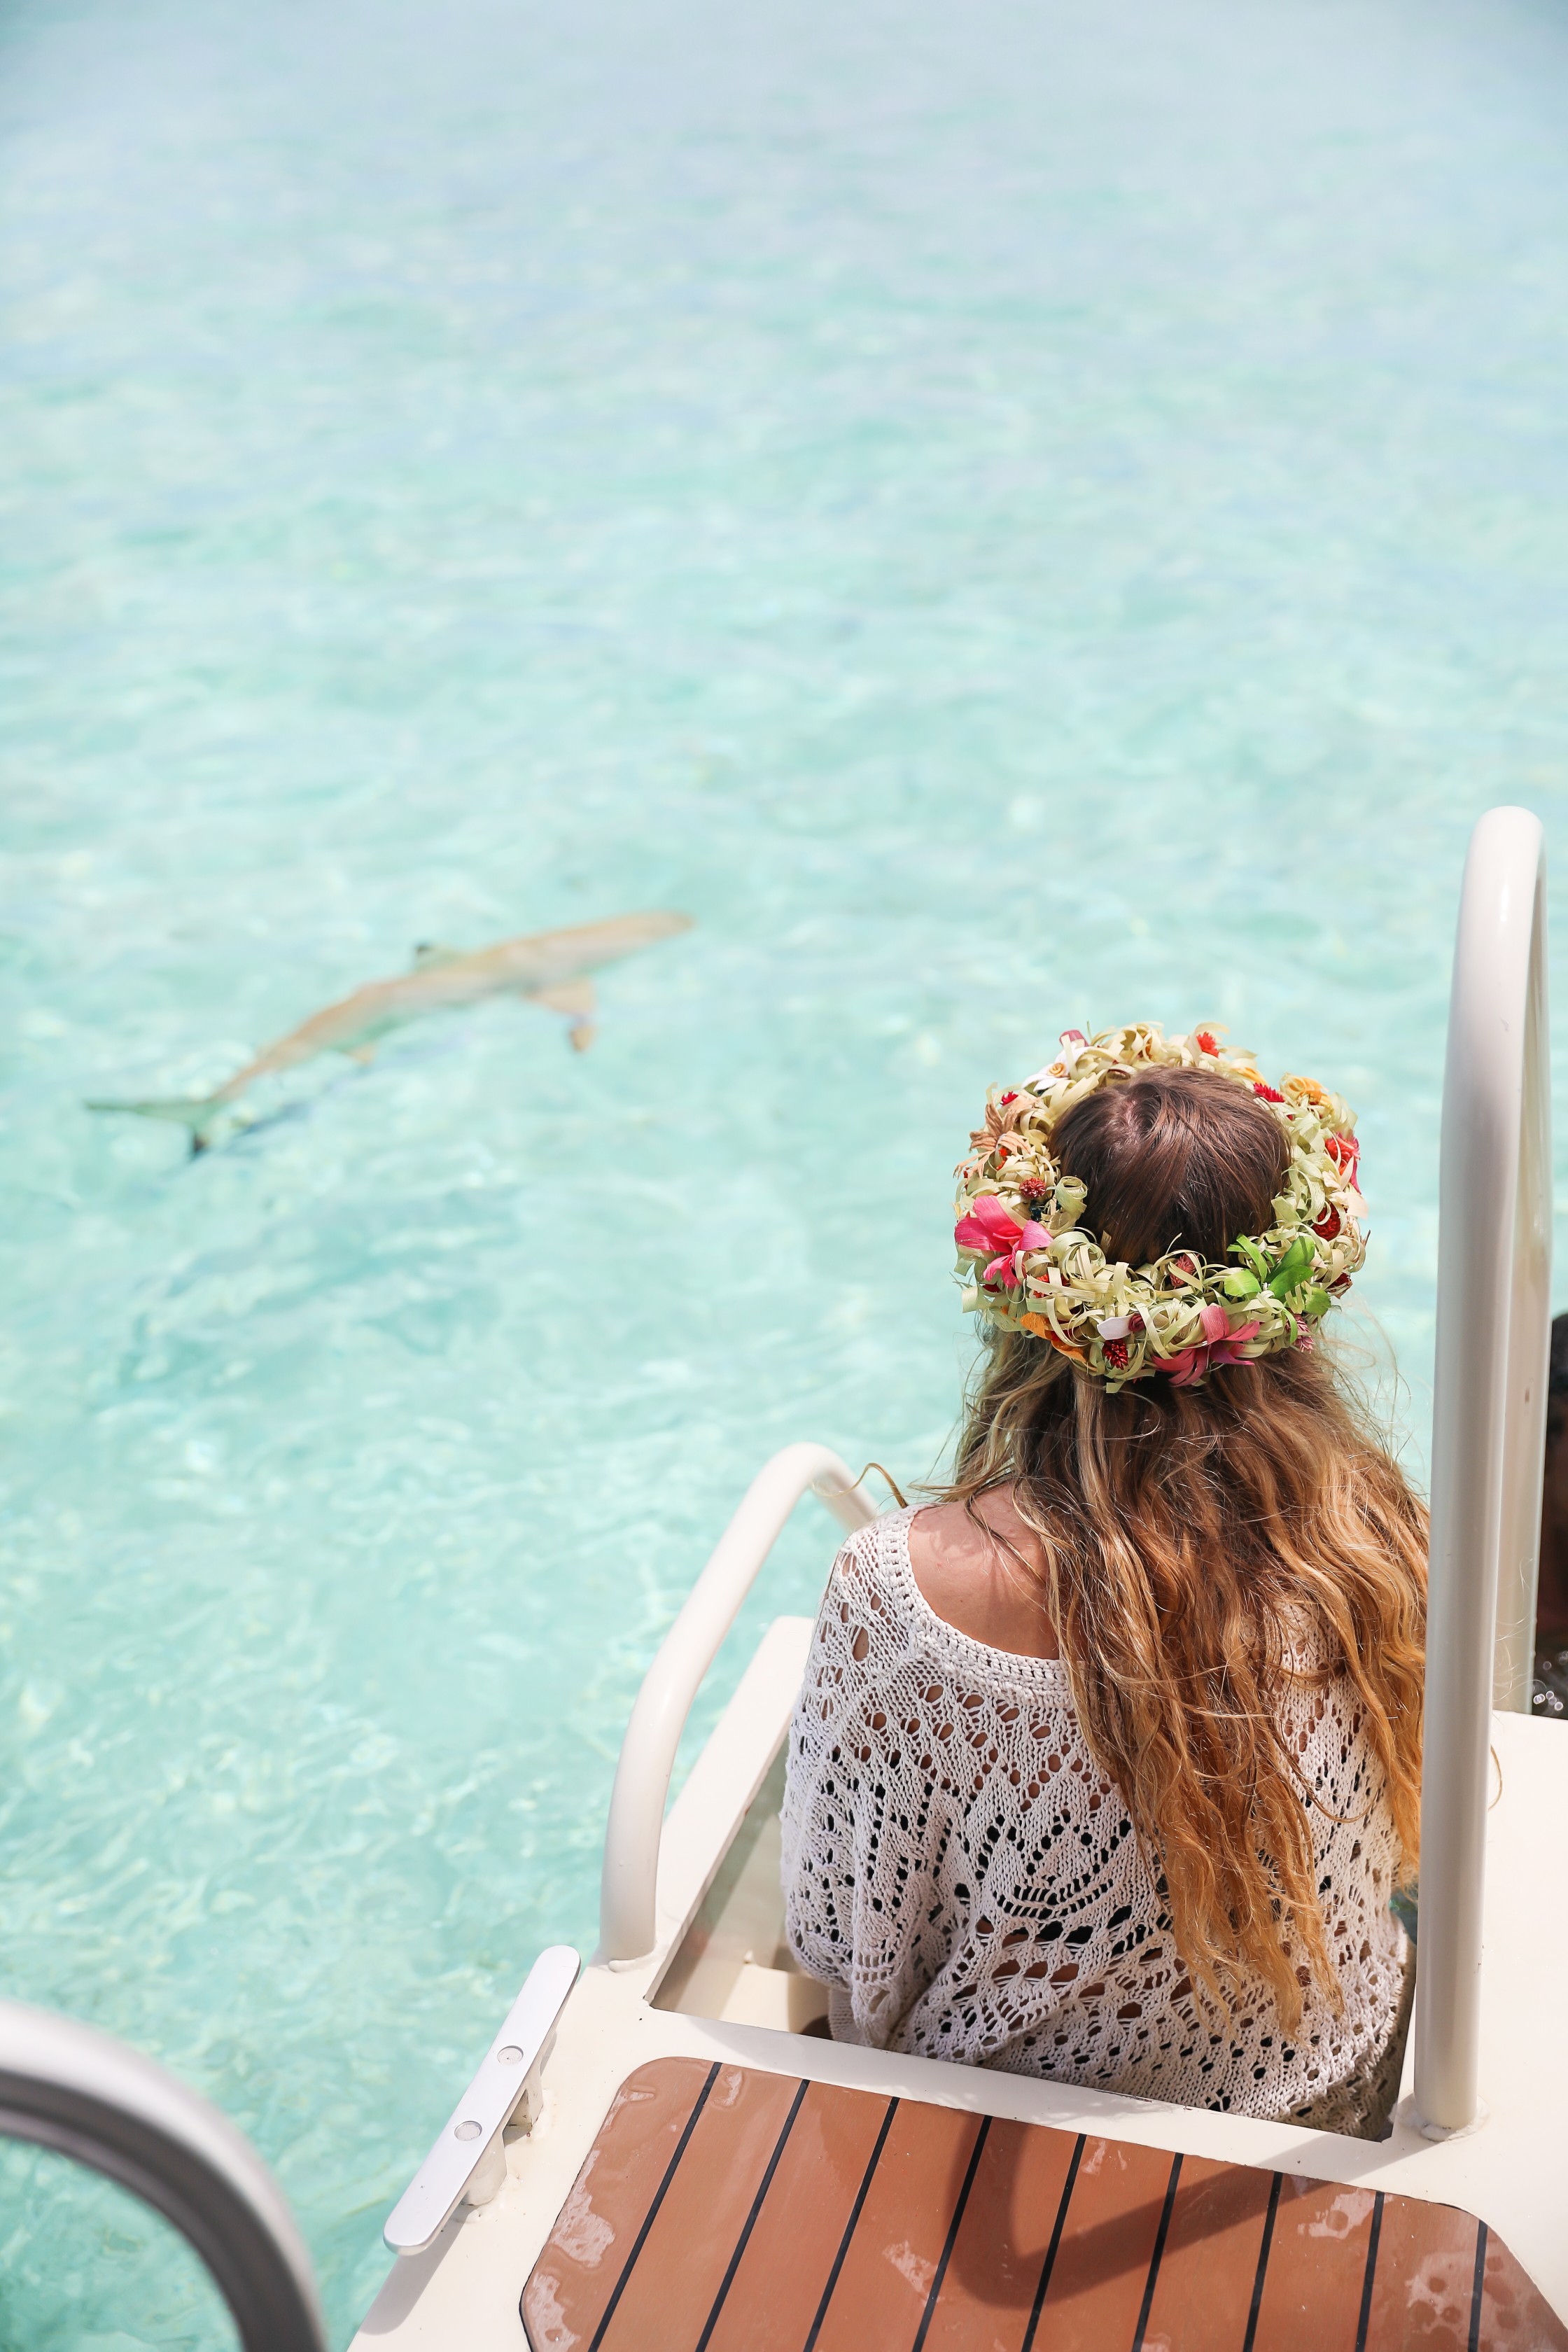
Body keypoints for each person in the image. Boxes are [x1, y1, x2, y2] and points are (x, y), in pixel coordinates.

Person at [782, 1025, 1426, 2138]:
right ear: (1297, 1294)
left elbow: (844, 1941)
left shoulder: (905, 1595)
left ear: (1026, 1296)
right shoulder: (1377, 1543)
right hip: (1332, 2085)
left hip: (1005, 2122)